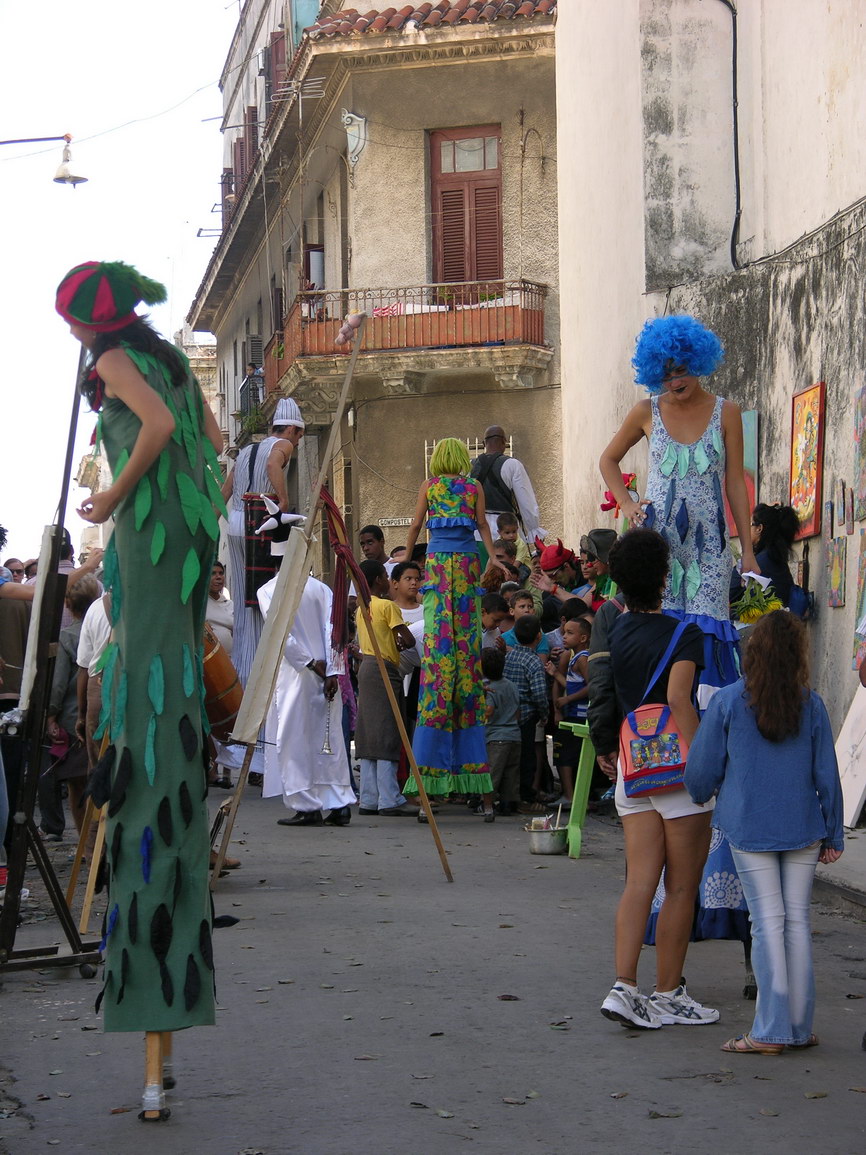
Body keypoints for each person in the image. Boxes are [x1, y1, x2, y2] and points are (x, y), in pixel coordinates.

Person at [58, 258, 222, 1037]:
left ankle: (150, 888)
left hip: (151, 535)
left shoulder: (117, 360)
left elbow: (155, 427)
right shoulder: (168, 360)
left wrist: (115, 494)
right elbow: (210, 441)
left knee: (147, 702)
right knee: (167, 684)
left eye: (72, 322)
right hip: (184, 531)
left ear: (88, 323)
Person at [600, 313, 756, 948]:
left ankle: (710, 769)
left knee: (711, 665)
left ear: (700, 361)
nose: (676, 380)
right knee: (667, 662)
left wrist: (748, 552)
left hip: (712, 556)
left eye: (684, 368)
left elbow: (735, 485)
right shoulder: (645, 412)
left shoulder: (728, 412)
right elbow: (609, 461)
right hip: (662, 555)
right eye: (665, 372)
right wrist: (628, 505)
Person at [685, 612, 844, 1054]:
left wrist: (700, 794)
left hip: (748, 824)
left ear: (751, 653)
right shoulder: (812, 704)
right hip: (803, 826)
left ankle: (769, 1032)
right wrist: (833, 833)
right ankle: (797, 1026)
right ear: (798, 655)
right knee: (797, 922)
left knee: (767, 923)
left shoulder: (729, 701)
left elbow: (701, 771)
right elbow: (827, 775)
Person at [599, 528, 718, 1031]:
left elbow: (610, 691)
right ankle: (668, 993)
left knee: (639, 883)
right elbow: (677, 701)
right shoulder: (683, 633)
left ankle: (624, 988)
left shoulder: (615, 630)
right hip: (679, 773)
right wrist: (708, 763)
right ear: (665, 577)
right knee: (682, 887)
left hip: (634, 769)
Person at [403, 437, 505, 810]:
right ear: (462, 458)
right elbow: (482, 526)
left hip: (437, 568)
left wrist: (406, 559)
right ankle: (480, 789)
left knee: (439, 655)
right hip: (465, 567)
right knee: (466, 653)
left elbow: (416, 525)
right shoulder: (473, 486)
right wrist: (492, 557)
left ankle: (431, 780)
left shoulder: (429, 486)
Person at [258, 563, 356, 828]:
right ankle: (339, 803)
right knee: (328, 738)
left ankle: (307, 805)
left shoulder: (269, 590)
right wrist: (332, 669)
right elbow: (334, 631)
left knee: (296, 739)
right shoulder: (321, 589)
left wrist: (311, 663)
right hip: (324, 674)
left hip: (297, 675)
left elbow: (281, 634)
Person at [221, 397, 304, 686]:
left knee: (243, 597)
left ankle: (242, 669)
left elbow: (226, 489)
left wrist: (213, 520)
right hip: (259, 522)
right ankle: (260, 672)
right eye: (299, 435)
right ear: (292, 429)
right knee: (262, 596)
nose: (298, 441)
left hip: (235, 523)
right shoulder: (283, 445)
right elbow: (272, 465)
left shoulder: (245, 450)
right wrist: (284, 501)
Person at [354, 559, 419, 816]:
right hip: (384, 669)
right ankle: (389, 798)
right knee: (388, 732)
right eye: (385, 576)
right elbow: (409, 639)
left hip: (367, 667)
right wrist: (401, 643)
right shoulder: (386, 606)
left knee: (370, 733)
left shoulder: (362, 608)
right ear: (379, 580)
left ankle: (369, 798)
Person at [470, 425, 545, 549]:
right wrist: (534, 530)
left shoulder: (470, 466)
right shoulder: (513, 465)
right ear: (504, 442)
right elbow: (526, 502)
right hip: (507, 533)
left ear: (484, 443)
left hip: (477, 534)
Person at [503, 614, 550, 811]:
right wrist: (545, 714)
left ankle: (509, 797)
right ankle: (525, 797)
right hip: (527, 716)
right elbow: (539, 693)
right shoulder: (534, 662)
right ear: (539, 636)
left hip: (507, 716)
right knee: (527, 759)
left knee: (510, 759)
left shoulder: (508, 657)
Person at [546, 615, 591, 805]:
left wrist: (568, 699)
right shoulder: (573, 657)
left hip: (580, 715)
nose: (564, 637)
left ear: (583, 638)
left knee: (565, 754)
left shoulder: (583, 659)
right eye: (564, 632)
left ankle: (570, 796)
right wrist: (556, 674)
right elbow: (574, 686)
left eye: (570, 633)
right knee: (564, 752)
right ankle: (570, 794)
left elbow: (591, 686)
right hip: (572, 713)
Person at [481, 647, 521, 819]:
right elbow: (518, 709)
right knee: (511, 773)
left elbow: (489, 711)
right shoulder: (512, 685)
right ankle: (507, 803)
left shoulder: (490, 689)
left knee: (493, 774)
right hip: (515, 735)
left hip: (497, 737)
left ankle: (487, 805)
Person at [745, 503, 800, 607]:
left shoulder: (759, 562)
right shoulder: (776, 558)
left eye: (750, 524)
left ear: (759, 528)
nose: (747, 529)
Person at [205, 560, 234, 656]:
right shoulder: (201, 605)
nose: (218, 577)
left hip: (231, 659)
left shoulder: (230, 604)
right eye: (213, 573)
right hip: (209, 660)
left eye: (221, 573)